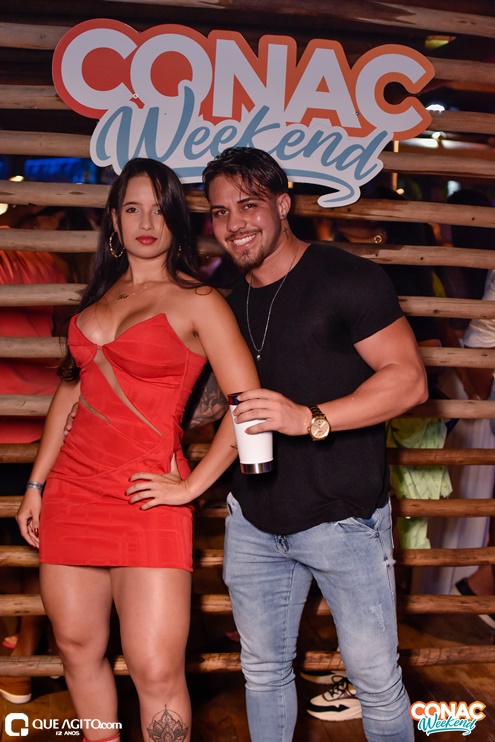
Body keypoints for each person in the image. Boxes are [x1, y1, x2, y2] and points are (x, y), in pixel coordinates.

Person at [128, 147, 428, 742]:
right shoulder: (226, 302)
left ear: (283, 205)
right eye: (220, 212)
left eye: (249, 205)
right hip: (254, 522)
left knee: (375, 681)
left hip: (345, 520)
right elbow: (216, 405)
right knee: (263, 673)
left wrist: (308, 418)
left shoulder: (346, 277)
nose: (234, 223)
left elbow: (408, 380)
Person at [16, 157, 259, 742]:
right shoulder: (98, 297)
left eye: (158, 209)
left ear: (176, 220)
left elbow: (249, 406)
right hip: (72, 494)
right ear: (114, 220)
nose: (146, 222)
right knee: (78, 649)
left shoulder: (199, 300)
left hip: (148, 499)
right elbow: (71, 392)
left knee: (156, 669)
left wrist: (192, 485)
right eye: (132, 208)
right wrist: (36, 484)